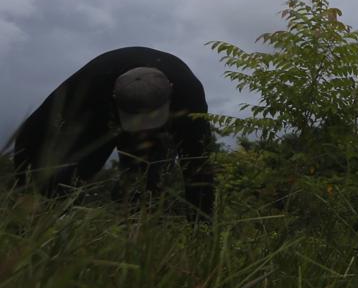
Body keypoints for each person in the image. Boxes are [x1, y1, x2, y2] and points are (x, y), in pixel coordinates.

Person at [4, 47, 217, 217]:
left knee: (145, 188)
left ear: (171, 88)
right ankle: (50, 225)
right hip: (100, 114)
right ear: (114, 94)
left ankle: (138, 229)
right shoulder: (91, 83)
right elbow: (33, 132)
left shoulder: (189, 94)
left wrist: (201, 222)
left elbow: (198, 160)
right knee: (66, 177)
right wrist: (24, 188)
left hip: (159, 130)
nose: (141, 127)